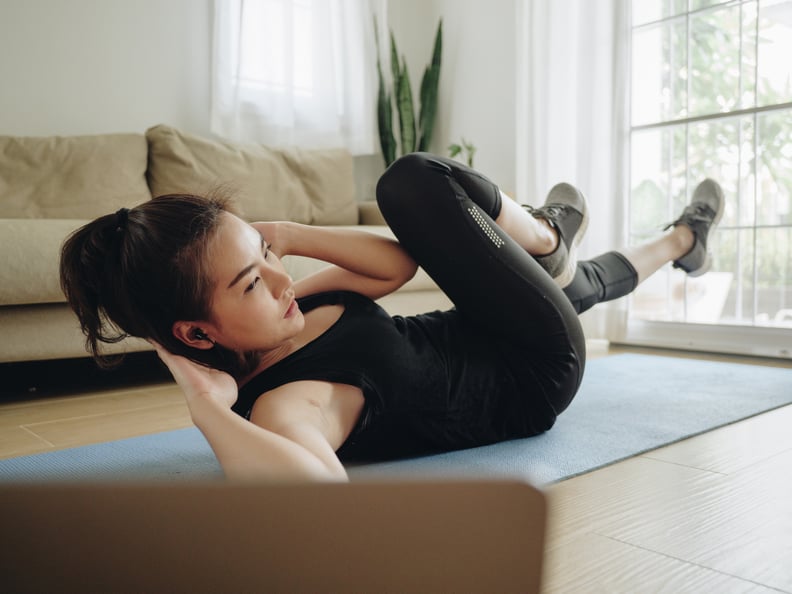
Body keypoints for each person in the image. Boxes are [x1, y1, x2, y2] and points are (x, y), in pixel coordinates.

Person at [59, 153, 724, 481]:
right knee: (411, 183)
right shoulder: (286, 405)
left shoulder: (288, 310)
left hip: (477, 329)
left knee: (571, 286)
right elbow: (318, 490)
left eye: (267, 256)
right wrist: (205, 407)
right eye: (251, 282)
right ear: (198, 334)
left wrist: (286, 233)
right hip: (533, 370)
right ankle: (547, 237)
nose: (281, 279)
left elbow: (395, 265)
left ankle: (684, 241)